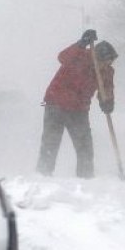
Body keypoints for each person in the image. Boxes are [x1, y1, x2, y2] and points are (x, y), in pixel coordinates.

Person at [36, 29, 117, 178]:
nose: (107, 65)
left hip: (79, 109)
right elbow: (62, 57)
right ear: (97, 57)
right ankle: (43, 176)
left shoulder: (107, 72)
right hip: (55, 104)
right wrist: (81, 44)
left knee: (84, 146)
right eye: (105, 61)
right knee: (50, 143)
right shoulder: (80, 56)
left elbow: (106, 90)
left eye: (110, 62)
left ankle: (86, 178)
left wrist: (107, 102)